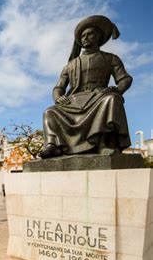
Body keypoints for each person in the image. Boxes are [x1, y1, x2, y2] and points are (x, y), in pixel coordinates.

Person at [40, 15, 133, 159]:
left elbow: (125, 79)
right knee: (49, 111)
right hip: (74, 101)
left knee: (112, 99)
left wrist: (117, 89)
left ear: (98, 37)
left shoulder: (110, 58)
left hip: (99, 97)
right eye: (83, 35)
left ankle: (103, 144)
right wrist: (58, 98)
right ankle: (53, 145)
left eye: (89, 34)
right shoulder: (71, 64)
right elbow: (58, 87)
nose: (85, 38)